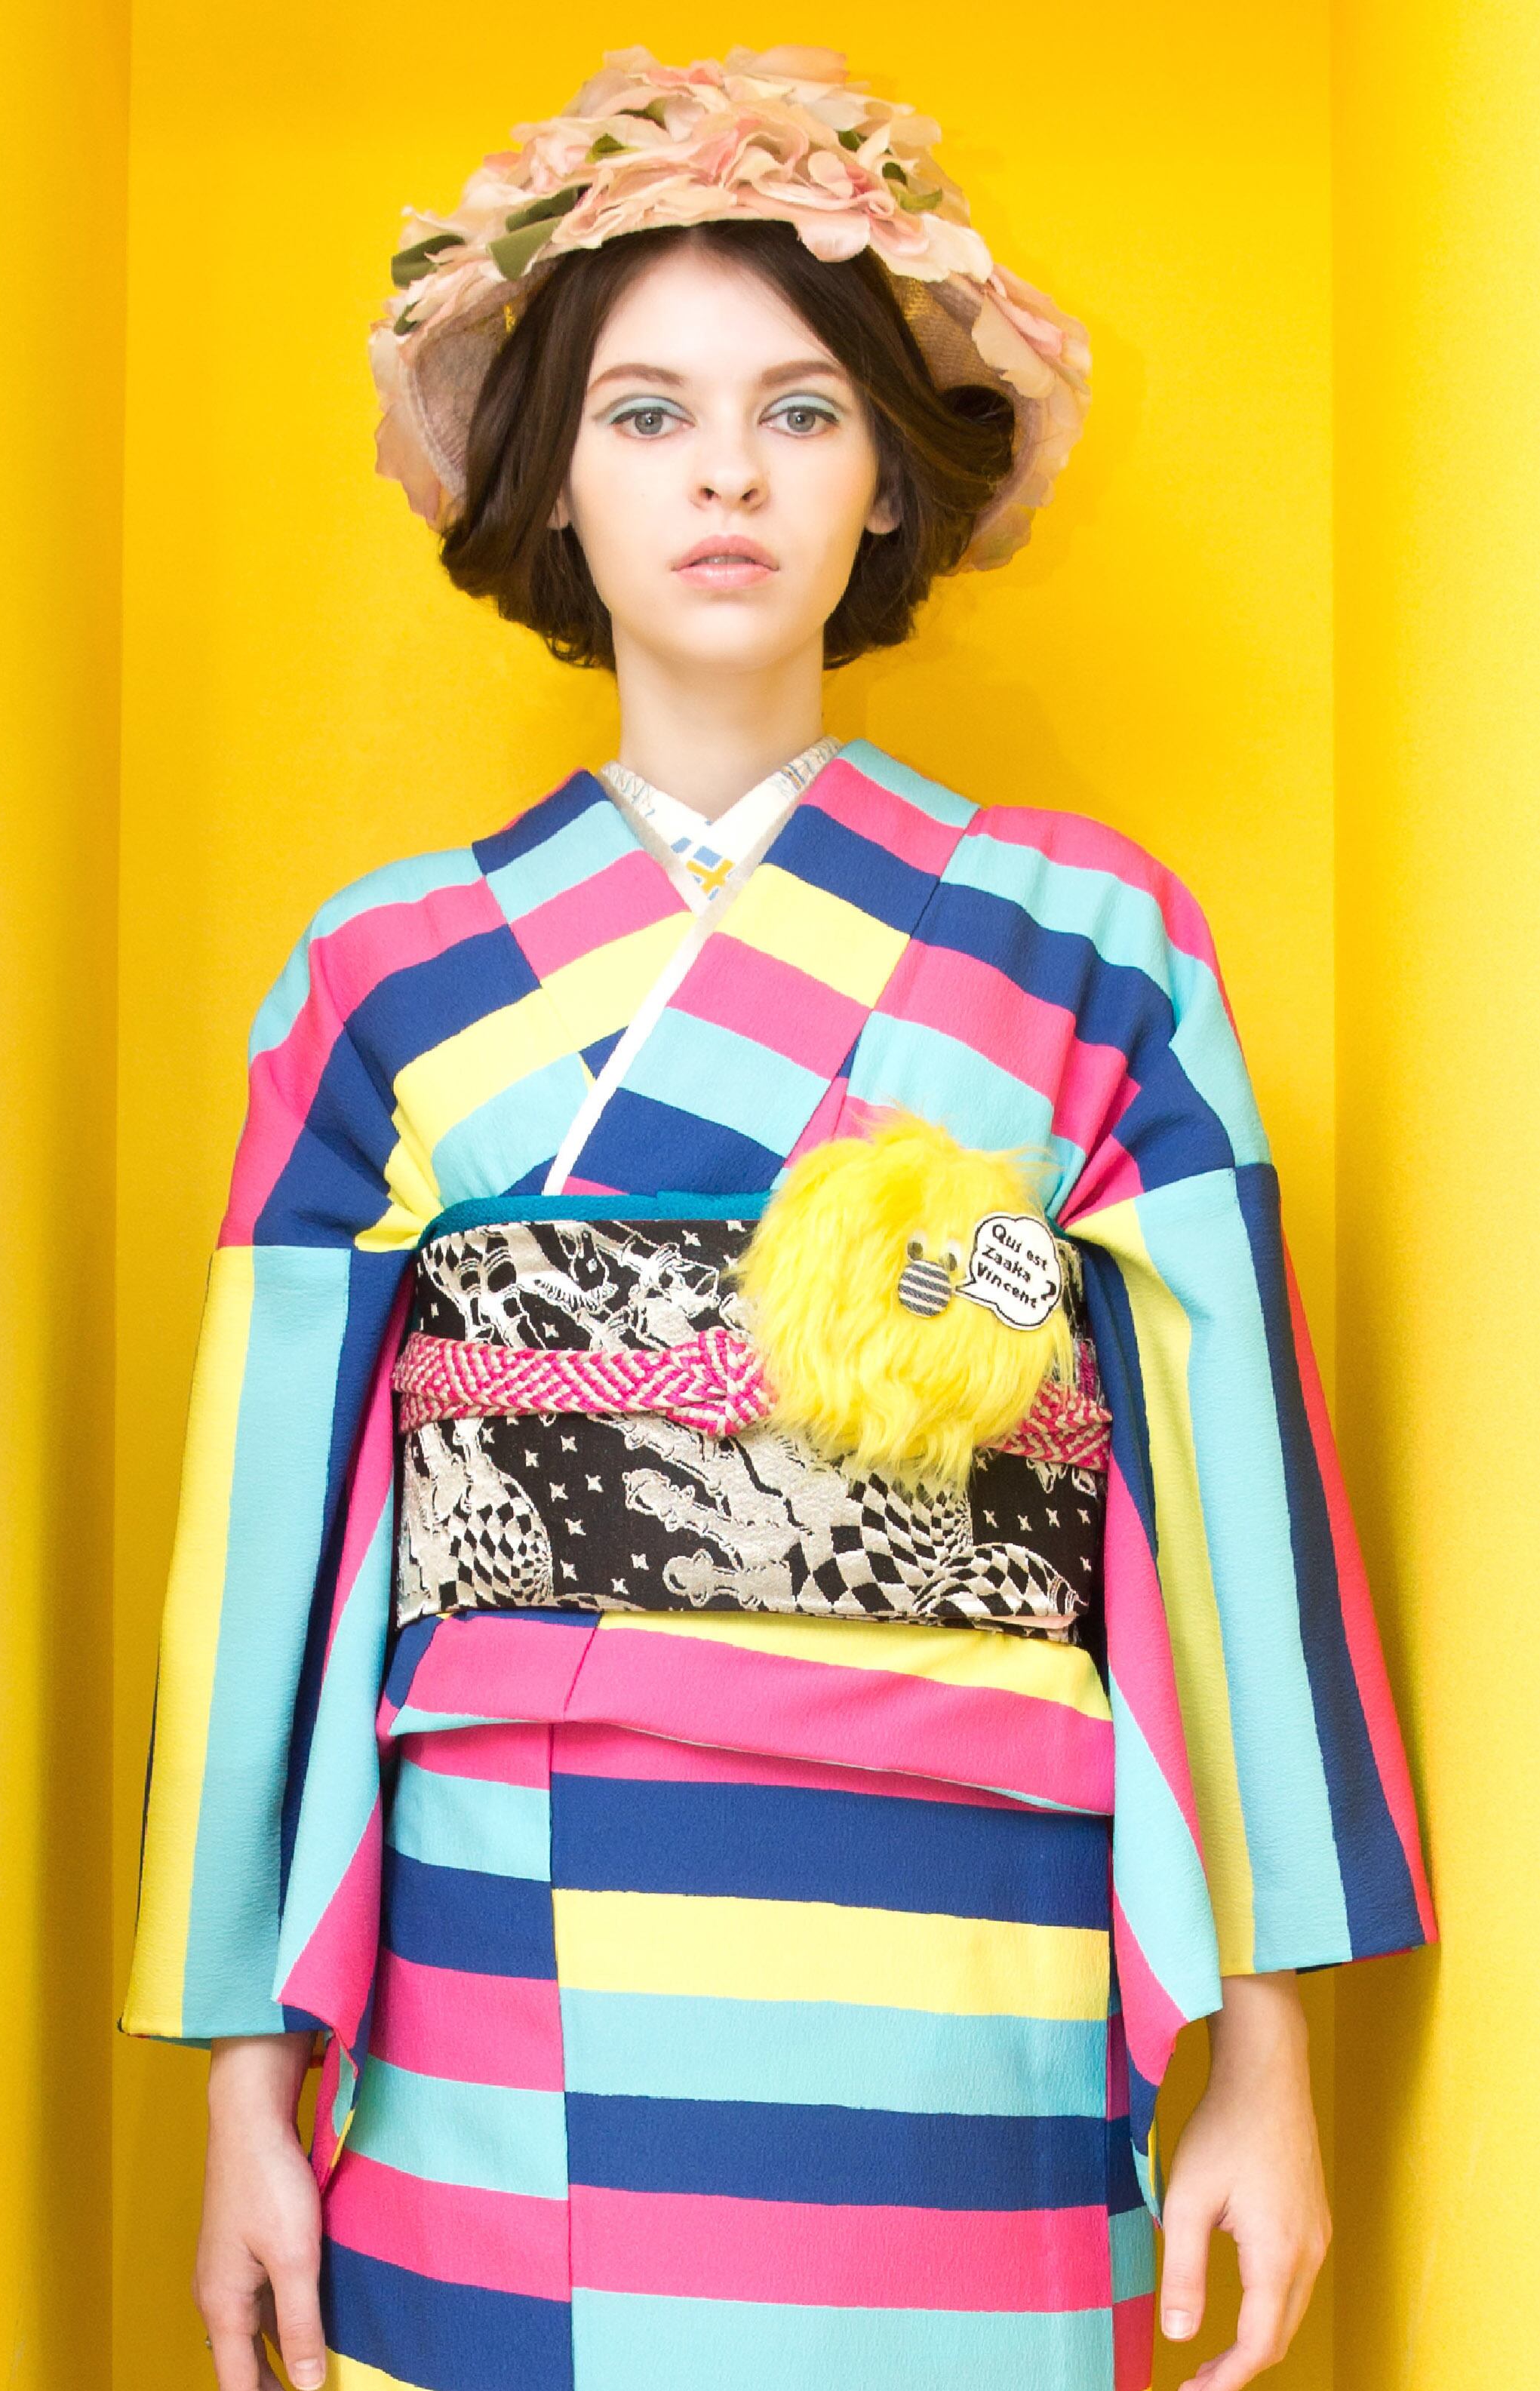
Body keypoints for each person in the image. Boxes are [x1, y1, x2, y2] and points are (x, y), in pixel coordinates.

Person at [122, 45, 1434, 2391]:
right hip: (508, 1909)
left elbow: (1225, 1490)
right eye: (644, 414)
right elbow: (268, 1562)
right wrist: (246, 2083)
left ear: (889, 472)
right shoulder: (381, 974)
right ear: (551, 473)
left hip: (967, 1905)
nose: (723, 472)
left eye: (798, 410)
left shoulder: (1090, 944)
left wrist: (1265, 2045)